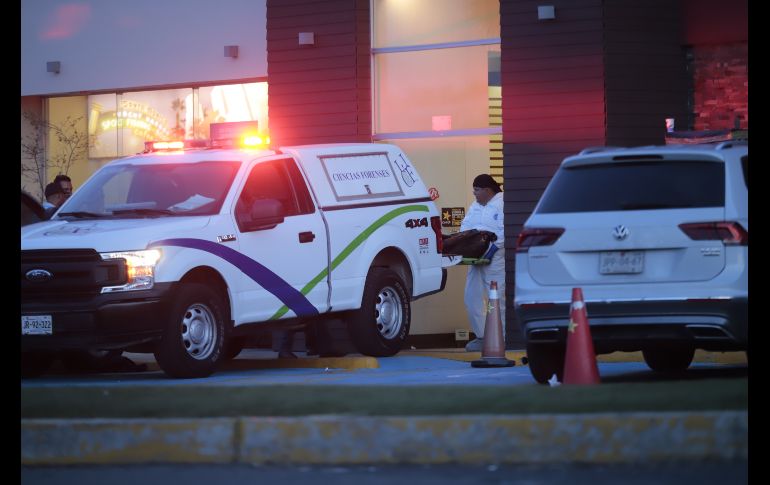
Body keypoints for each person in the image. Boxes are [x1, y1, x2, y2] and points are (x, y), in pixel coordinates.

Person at [460, 174, 505, 352]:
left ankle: (501, 337)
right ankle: (482, 336)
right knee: (471, 297)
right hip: (475, 257)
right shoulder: (476, 205)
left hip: (495, 258)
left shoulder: (502, 204)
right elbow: (465, 226)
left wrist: (494, 248)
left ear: (487, 190)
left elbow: (504, 230)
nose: (474, 193)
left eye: (477, 190)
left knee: (496, 298)